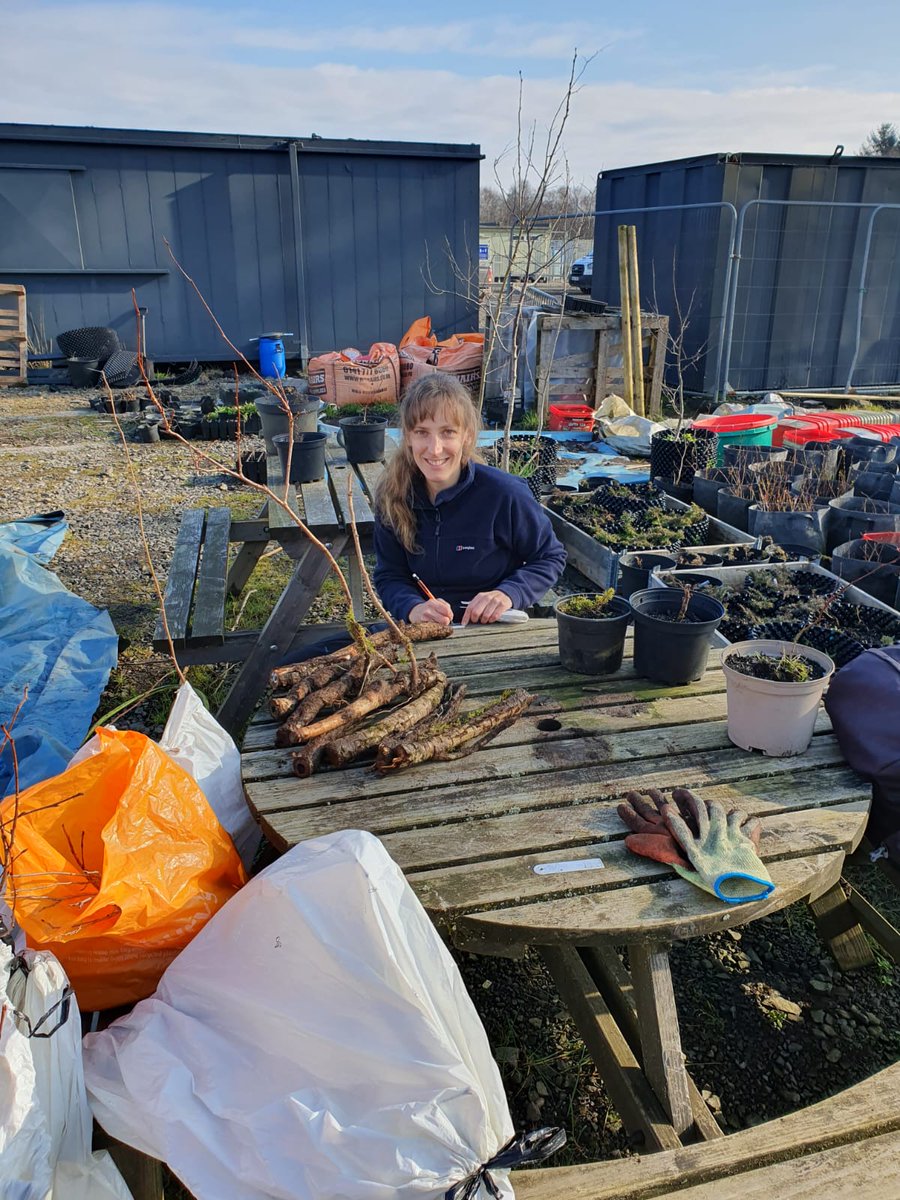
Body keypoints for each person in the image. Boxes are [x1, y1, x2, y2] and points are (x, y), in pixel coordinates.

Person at [374, 373, 566, 626]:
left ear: (467, 435)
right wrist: (413, 607)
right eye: (422, 432)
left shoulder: (504, 494)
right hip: (423, 629)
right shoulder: (393, 495)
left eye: (447, 432)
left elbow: (550, 556)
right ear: (408, 437)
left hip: (492, 629)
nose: (434, 448)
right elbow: (390, 575)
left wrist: (509, 593)